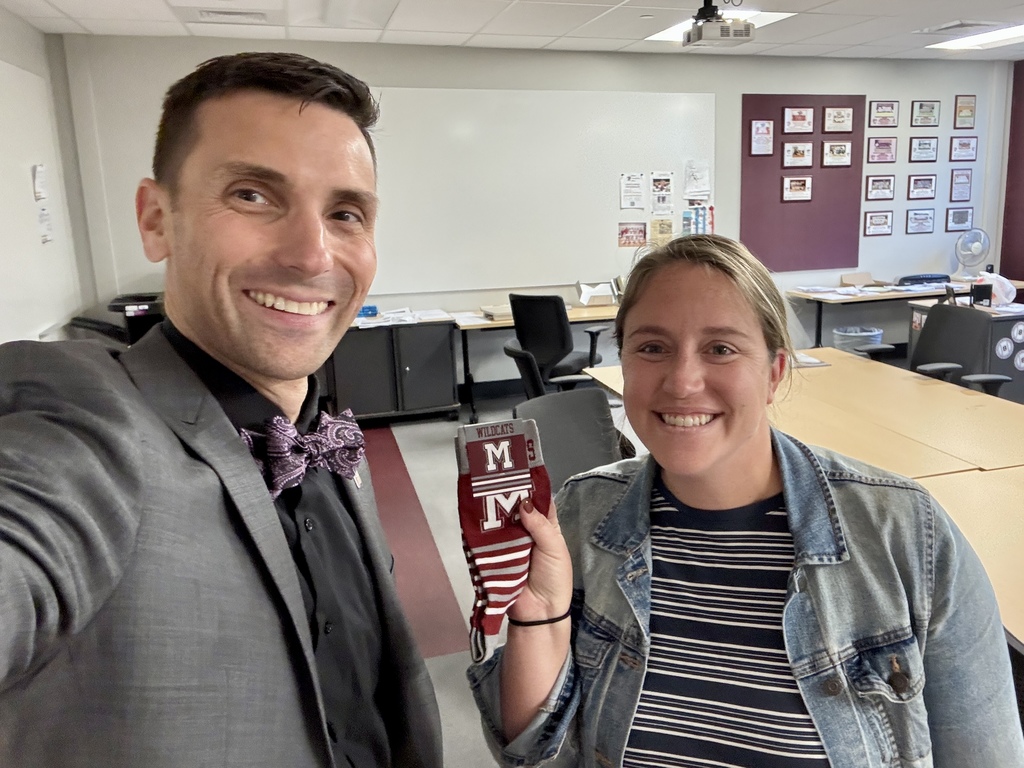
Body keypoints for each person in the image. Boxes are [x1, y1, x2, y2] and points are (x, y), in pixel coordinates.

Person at [0, 52, 442, 768]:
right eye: (252, 196)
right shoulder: (85, 421)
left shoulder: (320, 433)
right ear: (156, 221)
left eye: (345, 213)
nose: (311, 253)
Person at [469, 234, 1024, 767]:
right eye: (653, 347)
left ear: (775, 372)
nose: (683, 381)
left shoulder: (909, 538)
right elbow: (532, 752)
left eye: (721, 348)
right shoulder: (579, 518)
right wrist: (536, 622)